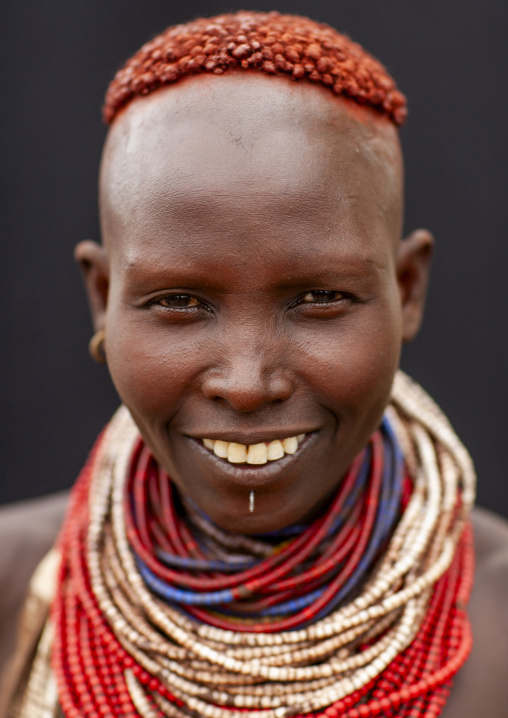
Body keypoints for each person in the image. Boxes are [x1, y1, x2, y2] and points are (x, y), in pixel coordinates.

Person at [1, 10, 508, 718]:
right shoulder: (16, 588)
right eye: (179, 302)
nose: (245, 385)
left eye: (321, 298)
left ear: (407, 290)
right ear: (103, 298)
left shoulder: (497, 614)